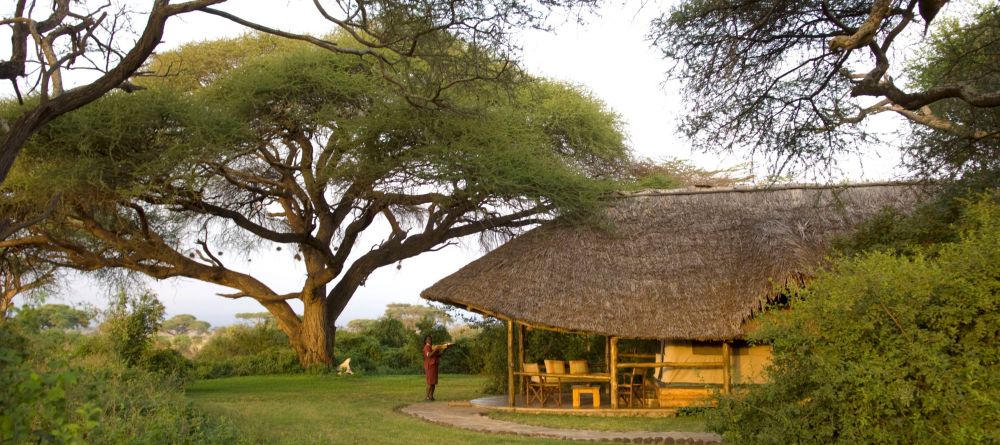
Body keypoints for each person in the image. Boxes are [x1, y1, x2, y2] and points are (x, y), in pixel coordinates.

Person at [422, 335, 452, 401]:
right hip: (429, 366)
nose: (430, 340)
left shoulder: (432, 347)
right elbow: (429, 355)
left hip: (434, 366)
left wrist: (445, 348)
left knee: (433, 382)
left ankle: (431, 397)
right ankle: (427, 397)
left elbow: (439, 355)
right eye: (429, 339)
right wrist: (436, 349)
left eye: (431, 339)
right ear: (426, 341)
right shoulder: (426, 347)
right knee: (430, 382)